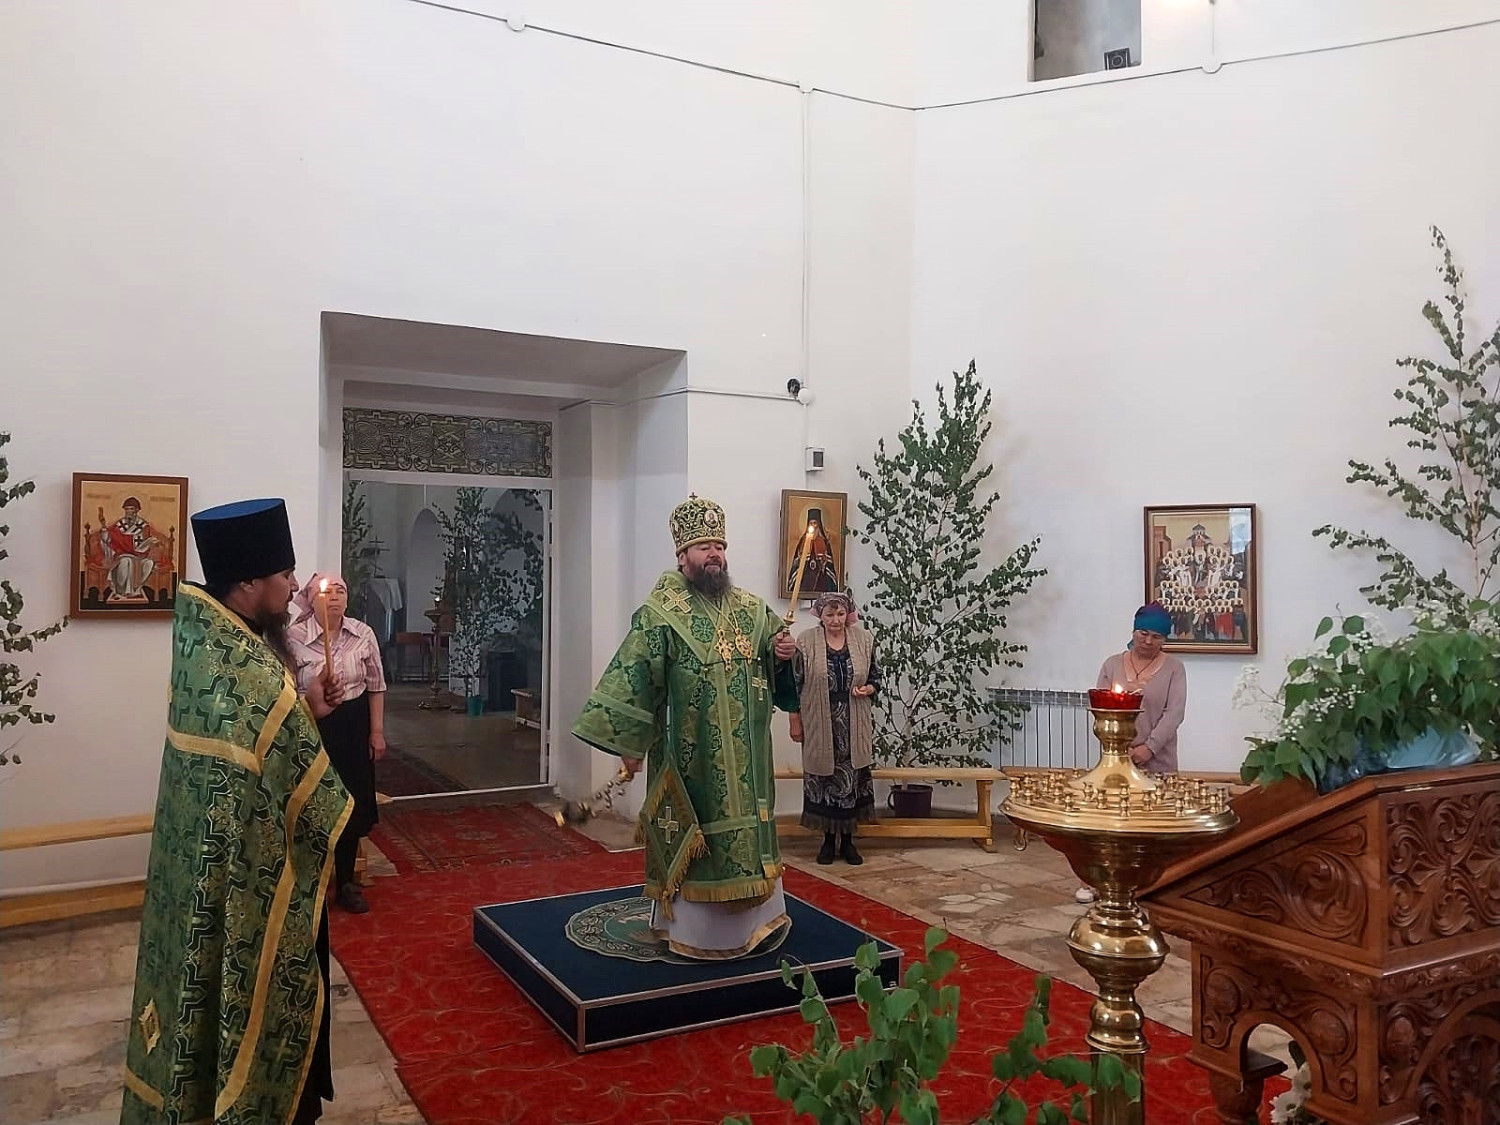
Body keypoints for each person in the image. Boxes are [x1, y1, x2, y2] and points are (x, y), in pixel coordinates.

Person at [121, 499, 352, 1125]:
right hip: (251, 879)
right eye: (286, 574)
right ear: (249, 582)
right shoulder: (247, 670)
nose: (295, 588)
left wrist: (308, 708)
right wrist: (298, 712)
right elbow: (297, 784)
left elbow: (258, 756)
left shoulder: (212, 648)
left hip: (216, 866)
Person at [573, 494, 799, 960]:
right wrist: (631, 745)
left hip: (747, 761)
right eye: (704, 547)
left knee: (748, 835)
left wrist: (782, 656)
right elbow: (635, 678)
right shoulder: (661, 614)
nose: (715, 554)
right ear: (682, 556)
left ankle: (757, 923)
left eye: (719, 546)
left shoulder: (751, 609)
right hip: (690, 760)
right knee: (698, 839)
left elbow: (778, 666)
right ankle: (698, 935)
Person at [289, 572, 388, 914]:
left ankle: (345, 881)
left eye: (340, 590)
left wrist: (376, 731)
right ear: (310, 599)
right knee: (314, 803)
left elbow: (376, 686)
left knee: (349, 804)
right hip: (312, 725)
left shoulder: (363, 634)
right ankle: (309, 885)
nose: (333, 596)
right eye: (326, 591)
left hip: (353, 725)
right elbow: (285, 689)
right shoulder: (293, 637)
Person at [1076, 601, 1188, 904]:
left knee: (1153, 824)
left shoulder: (1174, 669)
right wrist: (1118, 746)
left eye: (1157, 636)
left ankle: (1152, 884)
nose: (1148, 641)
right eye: (1143, 633)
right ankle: (1096, 880)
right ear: (1134, 632)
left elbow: (1174, 713)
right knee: (1108, 822)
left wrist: (1149, 748)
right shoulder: (1112, 664)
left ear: (1165, 639)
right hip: (1116, 759)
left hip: (1157, 759)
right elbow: (1100, 705)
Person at [789, 592, 880, 865]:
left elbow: (876, 677)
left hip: (854, 723)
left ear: (847, 614)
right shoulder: (806, 642)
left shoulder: (864, 639)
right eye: (829, 614)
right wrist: (795, 721)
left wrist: (868, 689)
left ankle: (849, 843)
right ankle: (828, 842)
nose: (835, 620)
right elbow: (793, 685)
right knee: (825, 781)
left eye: (840, 614)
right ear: (820, 615)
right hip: (820, 723)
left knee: (850, 783)